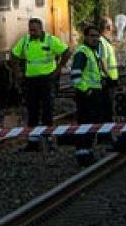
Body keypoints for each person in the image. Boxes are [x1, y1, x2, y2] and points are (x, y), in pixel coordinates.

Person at [10, 17, 67, 151]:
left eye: (34, 30)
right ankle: (33, 141)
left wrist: (58, 69)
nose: (32, 33)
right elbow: (14, 54)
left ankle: (48, 140)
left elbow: (66, 52)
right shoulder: (25, 41)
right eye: (30, 30)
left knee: (47, 109)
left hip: (47, 79)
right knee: (32, 110)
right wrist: (17, 72)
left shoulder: (50, 40)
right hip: (31, 80)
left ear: (41, 29)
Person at [68, 24, 108, 167]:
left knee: (92, 124)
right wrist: (86, 91)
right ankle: (82, 153)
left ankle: (87, 151)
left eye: (97, 36)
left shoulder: (93, 51)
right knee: (86, 124)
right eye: (92, 36)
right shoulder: (83, 52)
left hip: (94, 92)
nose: (95, 39)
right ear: (85, 37)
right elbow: (75, 75)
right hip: (87, 94)